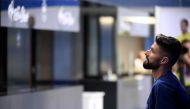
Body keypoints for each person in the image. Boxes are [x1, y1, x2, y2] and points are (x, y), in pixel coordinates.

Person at [143, 34, 189, 109]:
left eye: (152, 51)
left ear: (164, 60)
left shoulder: (163, 86)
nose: (146, 53)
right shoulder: (168, 81)